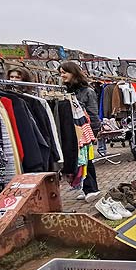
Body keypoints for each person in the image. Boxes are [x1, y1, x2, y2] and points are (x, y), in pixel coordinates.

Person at [59, 61, 101, 203]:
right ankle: (85, 187)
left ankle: (91, 188)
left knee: (86, 159)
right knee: (79, 160)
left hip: (85, 129)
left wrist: (93, 133)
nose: (62, 75)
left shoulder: (87, 92)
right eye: (60, 72)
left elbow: (93, 113)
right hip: (72, 129)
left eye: (65, 72)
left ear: (74, 73)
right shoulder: (65, 91)